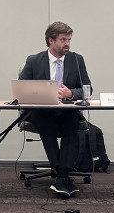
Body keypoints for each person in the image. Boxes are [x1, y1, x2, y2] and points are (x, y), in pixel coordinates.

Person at [19, 21, 91, 197]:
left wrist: (70, 93)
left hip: (66, 110)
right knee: (47, 125)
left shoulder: (76, 59)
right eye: (63, 39)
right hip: (42, 111)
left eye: (69, 40)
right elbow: (21, 87)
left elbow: (87, 88)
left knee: (71, 125)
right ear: (51, 41)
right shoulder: (34, 60)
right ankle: (63, 176)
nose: (67, 44)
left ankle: (61, 176)